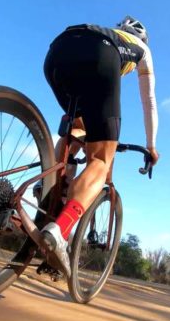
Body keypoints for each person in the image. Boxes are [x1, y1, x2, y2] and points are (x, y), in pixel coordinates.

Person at [40, 15, 159, 277]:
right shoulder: (142, 50)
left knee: (77, 128)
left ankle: (50, 186)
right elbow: (148, 101)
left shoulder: (110, 31)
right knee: (101, 160)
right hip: (100, 56)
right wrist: (151, 146)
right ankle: (61, 230)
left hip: (58, 52)